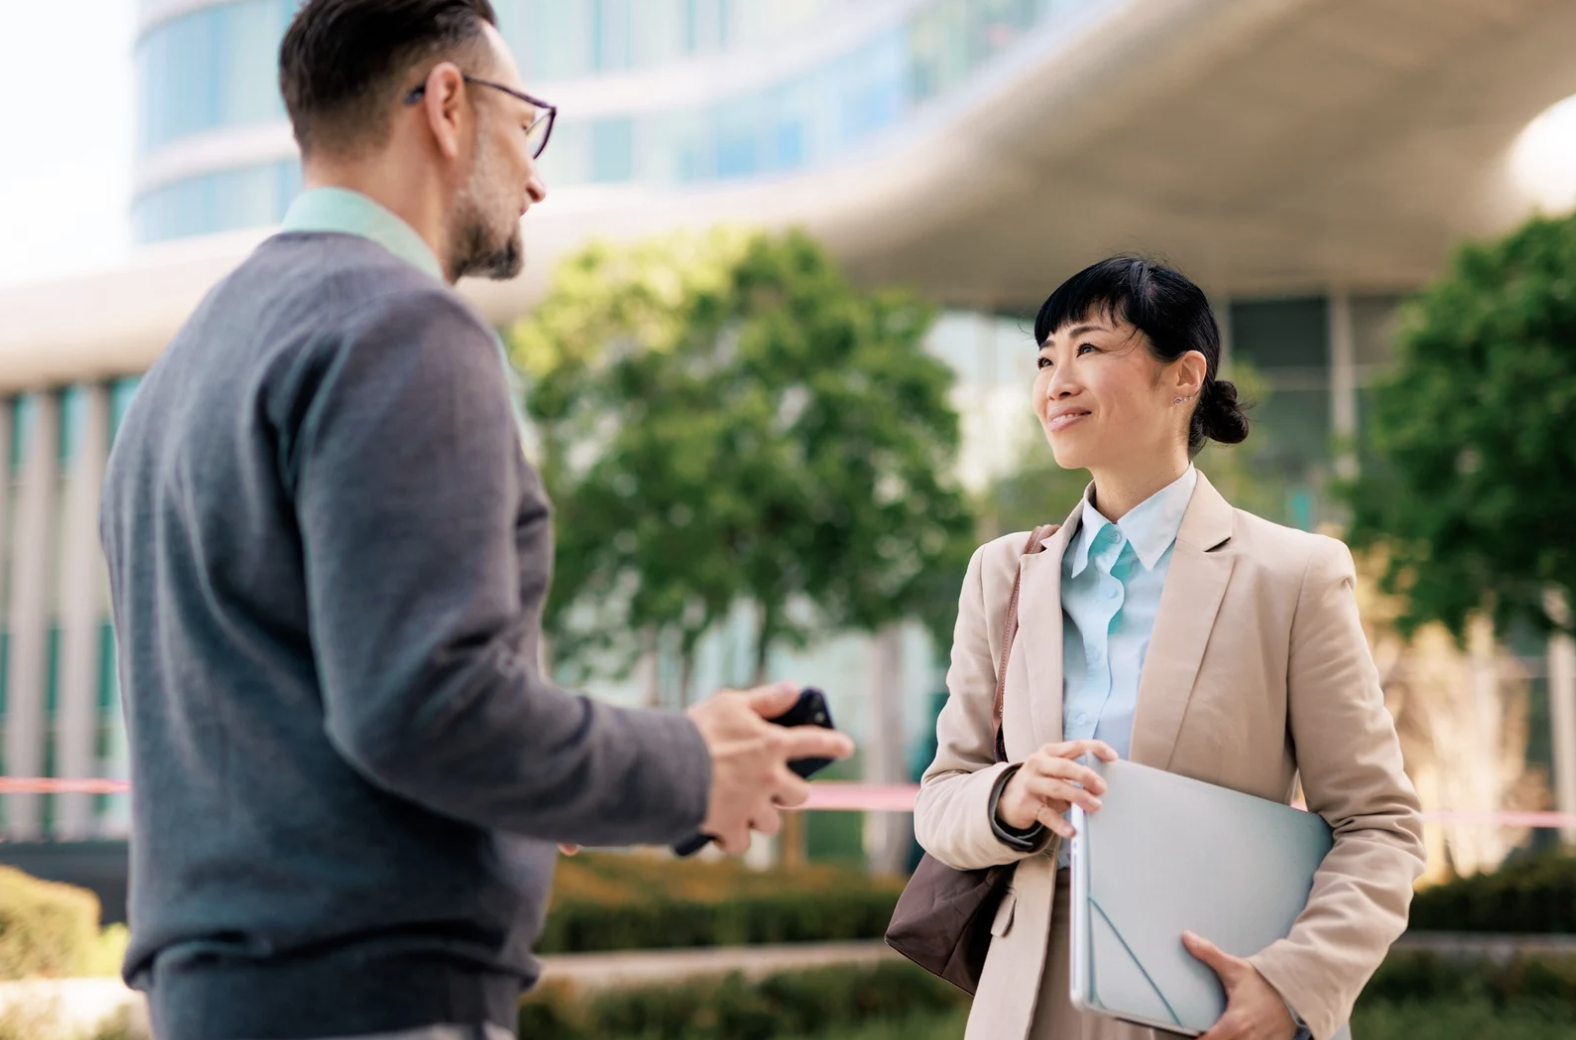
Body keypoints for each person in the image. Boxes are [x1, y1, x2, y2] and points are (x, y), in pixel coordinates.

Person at [98, 3, 853, 1039]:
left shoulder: (187, 368)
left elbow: (318, 716)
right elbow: (426, 704)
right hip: (381, 1001)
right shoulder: (403, 326)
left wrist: (561, 781)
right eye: (524, 122)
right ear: (447, 105)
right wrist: (687, 766)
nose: (536, 177)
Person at [912, 257, 1425, 1040]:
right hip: (1026, 1002)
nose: (1057, 379)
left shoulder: (1292, 576)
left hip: (1211, 998)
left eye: (1089, 349)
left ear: (1183, 377)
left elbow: (1378, 825)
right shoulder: (1003, 575)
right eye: (1045, 358)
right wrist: (1010, 798)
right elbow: (943, 795)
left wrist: (1290, 985)